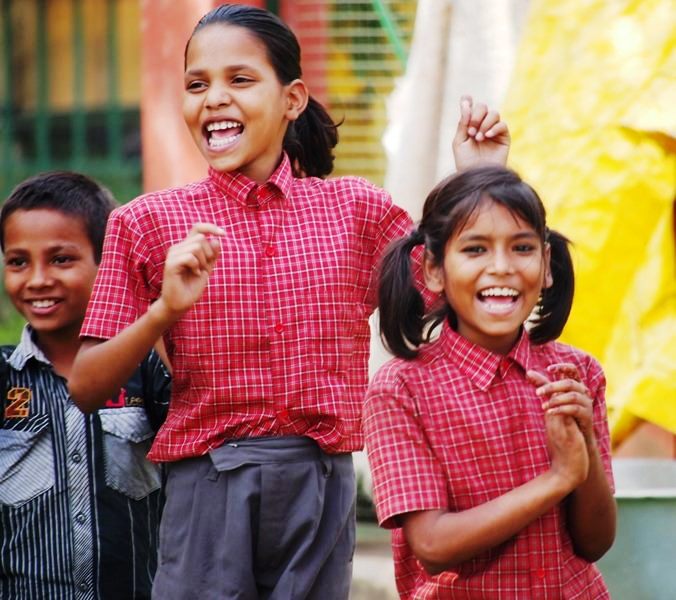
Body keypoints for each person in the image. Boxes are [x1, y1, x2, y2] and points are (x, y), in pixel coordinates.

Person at [67, 4, 509, 599]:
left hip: (320, 491)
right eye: (197, 84)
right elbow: (87, 385)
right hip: (206, 490)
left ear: (293, 98)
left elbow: (455, 299)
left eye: (240, 79)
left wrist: (474, 182)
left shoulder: (357, 210)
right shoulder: (146, 223)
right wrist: (163, 312)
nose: (214, 98)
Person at [364, 166, 617, 599]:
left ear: (547, 265)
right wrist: (557, 480)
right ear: (434, 270)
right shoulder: (401, 388)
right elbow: (433, 545)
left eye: (522, 248)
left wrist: (586, 448)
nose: (501, 268)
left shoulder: (576, 374)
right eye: (476, 249)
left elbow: (596, 542)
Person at [0, 171, 171, 599]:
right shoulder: (4, 378)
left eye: (61, 259)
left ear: (107, 263)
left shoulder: (148, 370)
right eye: (18, 261)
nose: (37, 279)